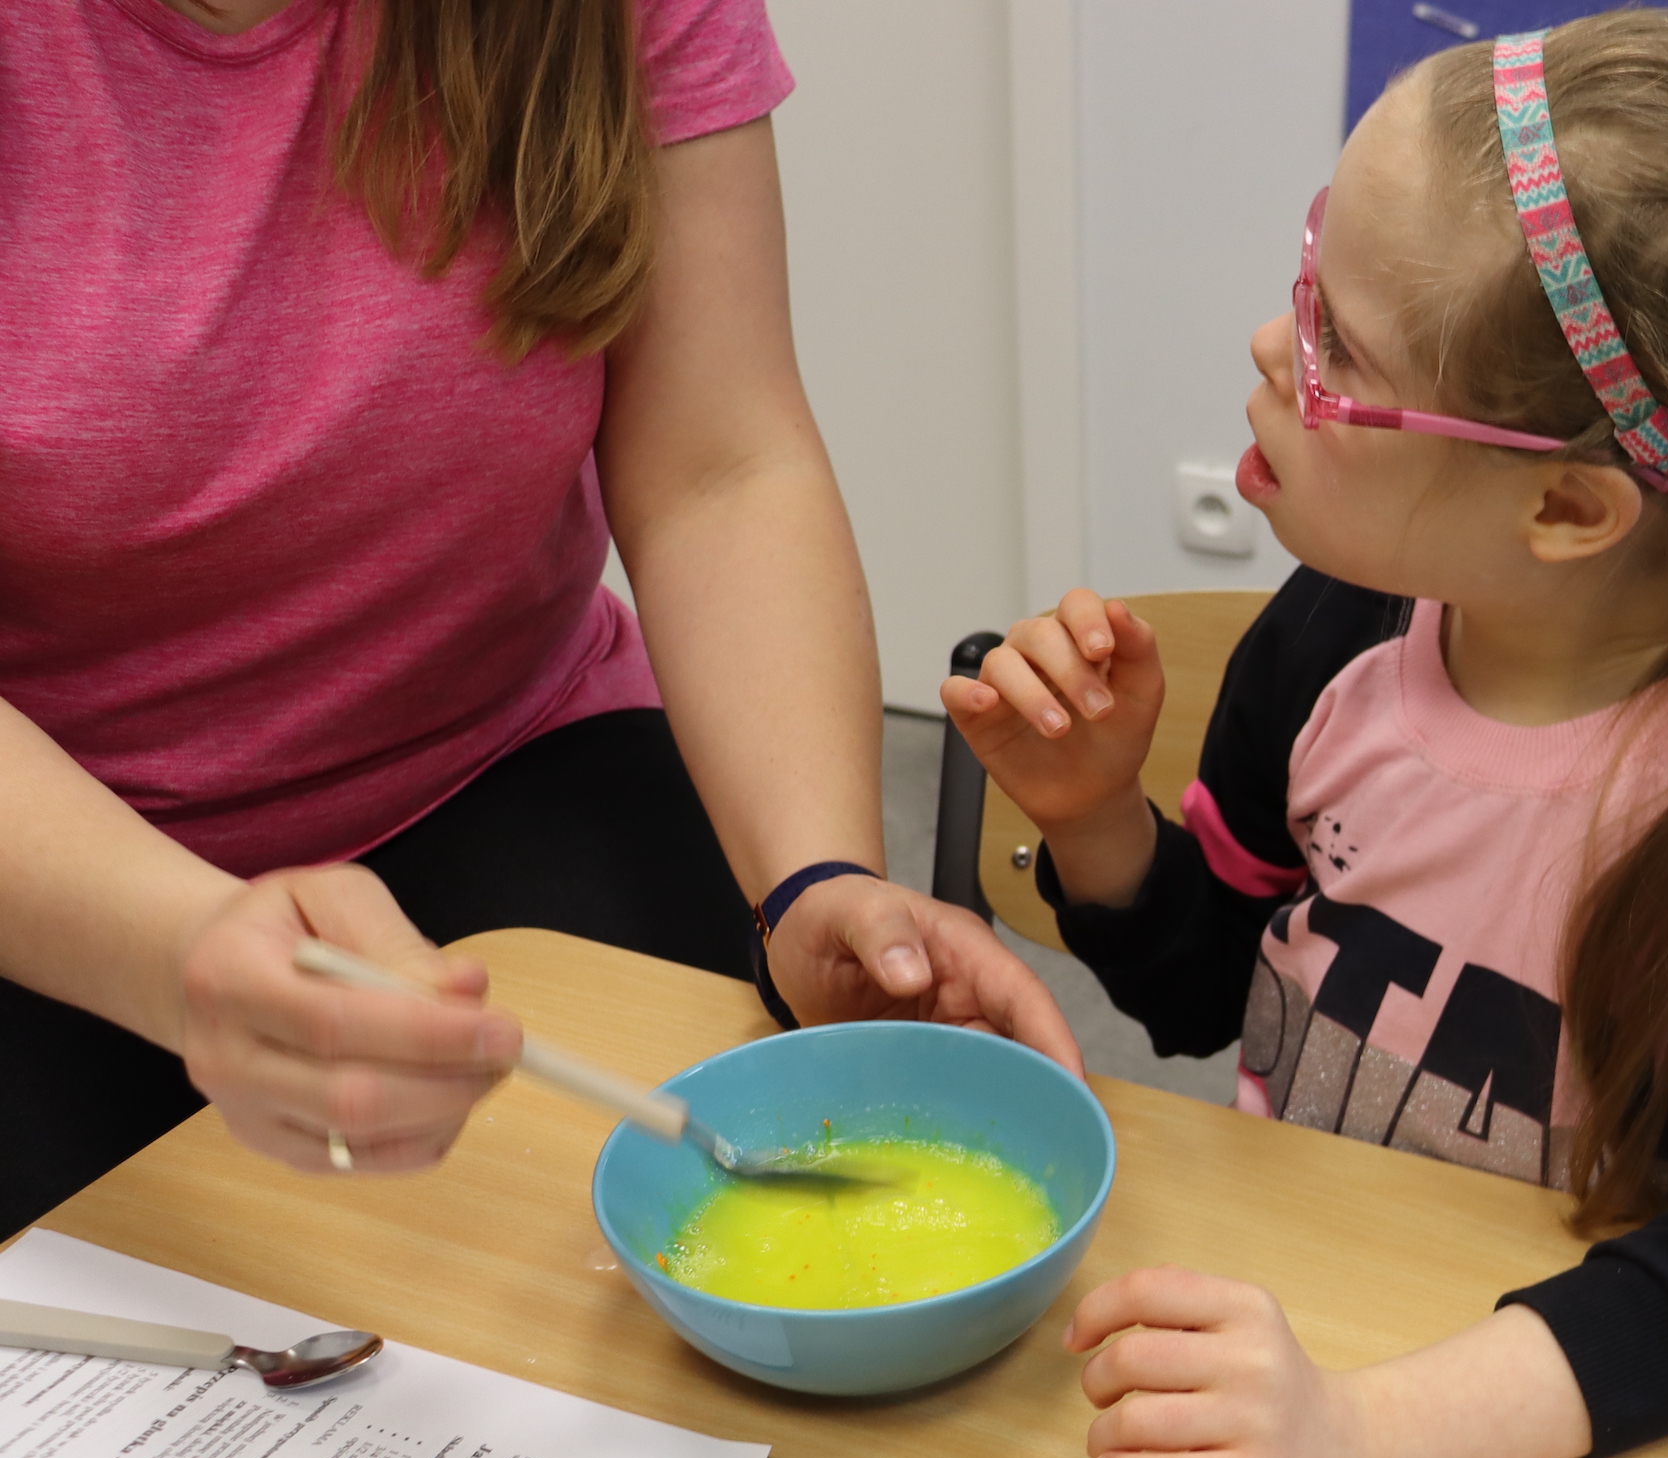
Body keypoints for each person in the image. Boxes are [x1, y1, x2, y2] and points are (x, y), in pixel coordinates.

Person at [945, 11, 1668, 1458]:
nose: (1271, 347)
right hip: (1301, 1331)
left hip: (1537, 1442)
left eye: (1341, 348)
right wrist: (1095, 815)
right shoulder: (1336, 633)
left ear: (1568, 511)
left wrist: (1374, 1436)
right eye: (1307, 279)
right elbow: (1209, 987)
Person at [0, 0, 1076, 1238]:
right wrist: (174, 946)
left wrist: (811, 882)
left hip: (505, 753)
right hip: (57, 851)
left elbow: (717, 468)